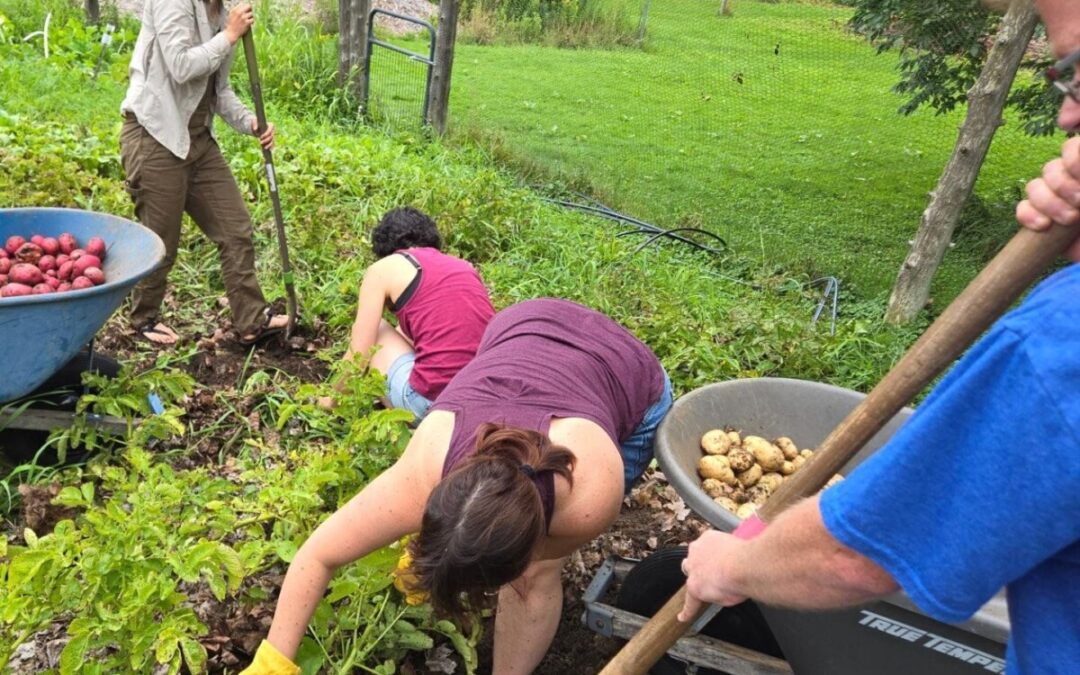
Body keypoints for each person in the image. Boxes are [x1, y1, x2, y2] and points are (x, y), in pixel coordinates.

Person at [678, 2, 1080, 673]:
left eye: (1078, 73)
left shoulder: (1057, 351)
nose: (1066, 115)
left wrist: (736, 558)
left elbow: (856, 552)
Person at [242, 298, 673, 674]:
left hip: (628, 370)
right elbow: (318, 555)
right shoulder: (426, 461)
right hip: (524, 326)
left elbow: (525, 565)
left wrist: (504, 573)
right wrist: (272, 665)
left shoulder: (590, 495)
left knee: (535, 575)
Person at [119, 0, 288, 346]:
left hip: (197, 141)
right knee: (161, 239)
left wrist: (250, 122)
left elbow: (218, 90)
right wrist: (229, 35)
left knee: (234, 227)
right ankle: (143, 320)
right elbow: (181, 66)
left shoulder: (222, 12)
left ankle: (251, 320)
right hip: (155, 136)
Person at [321, 207, 495, 419]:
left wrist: (329, 401)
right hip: (481, 407)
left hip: (430, 406)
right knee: (401, 331)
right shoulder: (465, 267)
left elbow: (360, 353)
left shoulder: (384, 268)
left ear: (384, 249)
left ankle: (394, 409)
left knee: (378, 330)